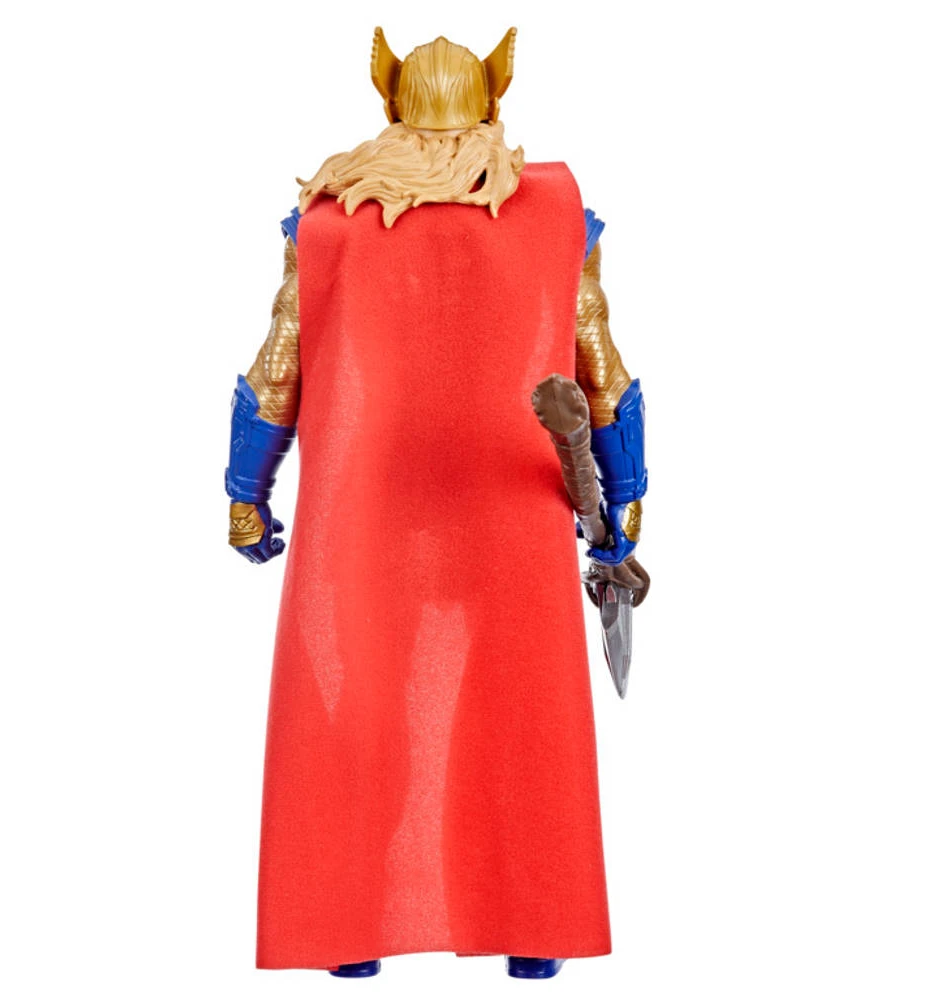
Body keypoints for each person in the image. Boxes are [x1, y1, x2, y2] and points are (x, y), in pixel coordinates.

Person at [224, 27, 648, 980]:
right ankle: (530, 934)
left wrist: (247, 495)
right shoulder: (558, 218)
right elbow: (603, 373)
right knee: (518, 712)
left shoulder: (329, 223)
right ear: (494, 102)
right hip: (507, 506)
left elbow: (276, 371)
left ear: (391, 103)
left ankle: (353, 932)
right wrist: (623, 502)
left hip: (375, 507)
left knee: (365, 709)